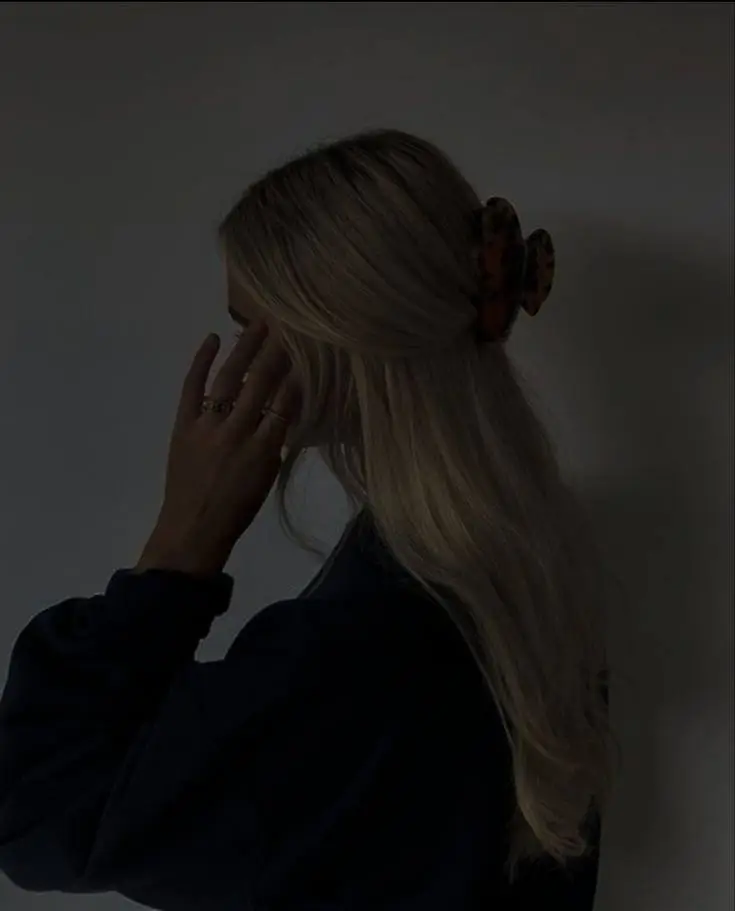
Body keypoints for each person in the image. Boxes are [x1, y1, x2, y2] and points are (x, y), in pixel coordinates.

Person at [0, 128, 617, 910]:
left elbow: (36, 812)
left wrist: (180, 545)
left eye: (249, 326)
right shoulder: (525, 565)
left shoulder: (358, 648)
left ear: (328, 336)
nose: (238, 359)